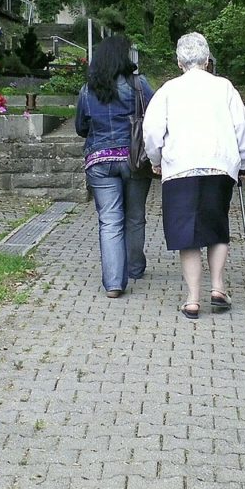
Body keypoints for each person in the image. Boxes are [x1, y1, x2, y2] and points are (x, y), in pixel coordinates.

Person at [142, 32, 245, 319]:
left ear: (179, 62)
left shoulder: (168, 90)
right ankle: (218, 287)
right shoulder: (224, 87)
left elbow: (152, 131)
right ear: (207, 60)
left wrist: (156, 160)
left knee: (187, 233)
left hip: (180, 167)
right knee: (217, 225)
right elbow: (241, 128)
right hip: (219, 165)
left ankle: (193, 299)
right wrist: (242, 161)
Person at [75, 35, 154, 299]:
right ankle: (134, 268)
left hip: (99, 161)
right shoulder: (139, 85)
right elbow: (154, 120)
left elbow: (80, 127)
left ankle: (113, 283)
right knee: (134, 216)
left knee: (110, 221)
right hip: (135, 160)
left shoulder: (88, 89)